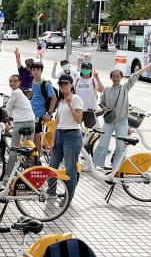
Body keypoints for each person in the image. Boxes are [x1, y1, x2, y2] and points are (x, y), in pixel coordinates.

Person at [93, 63, 151, 169]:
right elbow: (102, 101)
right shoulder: (107, 89)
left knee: (120, 146)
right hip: (109, 121)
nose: (116, 78)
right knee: (102, 144)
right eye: (114, 76)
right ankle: (96, 165)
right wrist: (105, 108)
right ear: (111, 78)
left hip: (122, 122)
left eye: (118, 76)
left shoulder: (125, 87)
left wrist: (149, 65)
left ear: (121, 77)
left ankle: (117, 168)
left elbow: (135, 75)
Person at [47, 74, 84, 202]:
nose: (63, 86)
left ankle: (68, 197)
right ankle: (51, 192)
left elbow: (79, 120)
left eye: (65, 84)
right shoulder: (60, 101)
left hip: (72, 136)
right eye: (61, 84)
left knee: (70, 169)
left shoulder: (76, 98)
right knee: (52, 166)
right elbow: (57, 122)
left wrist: (70, 105)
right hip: (60, 135)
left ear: (71, 85)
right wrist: (53, 140)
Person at [4, 74, 36, 178]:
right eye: (10, 81)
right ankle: (29, 172)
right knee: (29, 148)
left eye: (14, 81)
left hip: (20, 123)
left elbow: (8, 108)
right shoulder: (21, 93)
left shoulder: (15, 92)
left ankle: (8, 176)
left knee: (14, 149)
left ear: (19, 83)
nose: (12, 83)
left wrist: (8, 118)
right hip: (31, 122)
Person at [30, 61, 57, 153]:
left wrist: (49, 114)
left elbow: (54, 98)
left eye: (38, 69)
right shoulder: (33, 82)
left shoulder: (45, 84)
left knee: (36, 137)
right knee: (31, 136)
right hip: (31, 113)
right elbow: (34, 94)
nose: (35, 72)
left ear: (41, 71)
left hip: (39, 114)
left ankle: (37, 160)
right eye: (33, 70)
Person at [74, 62, 104, 128]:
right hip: (78, 109)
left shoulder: (93, 80)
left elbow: (101, 90)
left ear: (91, 70)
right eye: (83, 67)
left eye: (87, 68)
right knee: (76, 129)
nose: (84, 69)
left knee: (89, 131)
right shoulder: (78, 80)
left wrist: (97, 77)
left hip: (90, 110)